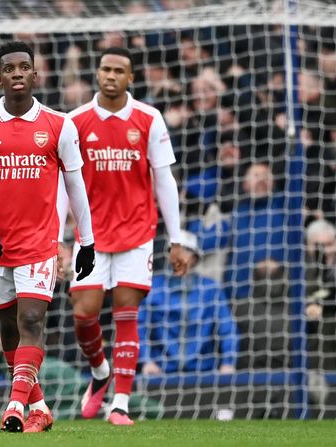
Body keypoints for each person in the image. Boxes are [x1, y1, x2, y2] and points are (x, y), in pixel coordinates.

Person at [0, 41, 95, 433]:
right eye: (9, 68)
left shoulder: (59, 124)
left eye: (24, 67)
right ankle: (40, 407)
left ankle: (15, 405)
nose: (17, 73)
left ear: (35, 75)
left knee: (32, 318)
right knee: (9, 329)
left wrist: (86, 239)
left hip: (40, 242)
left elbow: (75, 184)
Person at [68, 47, 187, 426]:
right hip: (90, 234)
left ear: (131, 78)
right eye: (105, 68)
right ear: (97, 72)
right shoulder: (75, 121)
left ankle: (120, 402)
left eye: (119, 70)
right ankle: (100, 372)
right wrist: (56, 238)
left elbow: (164, 180)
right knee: (83, 314)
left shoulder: (149, 119)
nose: (111, 75)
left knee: (126, 314)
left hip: (137, 231)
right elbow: (63, 184)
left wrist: (177, 238)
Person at [138, 231, 239, 375]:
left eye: (187, 250)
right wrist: (147, 361)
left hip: (203, 371)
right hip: (161, 371)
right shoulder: (153, 288)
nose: (180, 254)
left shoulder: (211, 289)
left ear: (196, 257)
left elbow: (227, 327)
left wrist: (228, 362)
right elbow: (140, 327)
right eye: (175, 249)